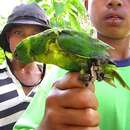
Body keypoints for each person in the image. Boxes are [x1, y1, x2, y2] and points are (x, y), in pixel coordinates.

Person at [13, 0, 130, 130]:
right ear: (86, 4)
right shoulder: (57, 79)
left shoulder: (64, 42)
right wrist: (47, 127)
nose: (115, 1)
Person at [0, 3, 50, 129]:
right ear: (8, 37)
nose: (27, 41)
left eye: (35, 35)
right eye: (18, 33)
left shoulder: (53, 79)